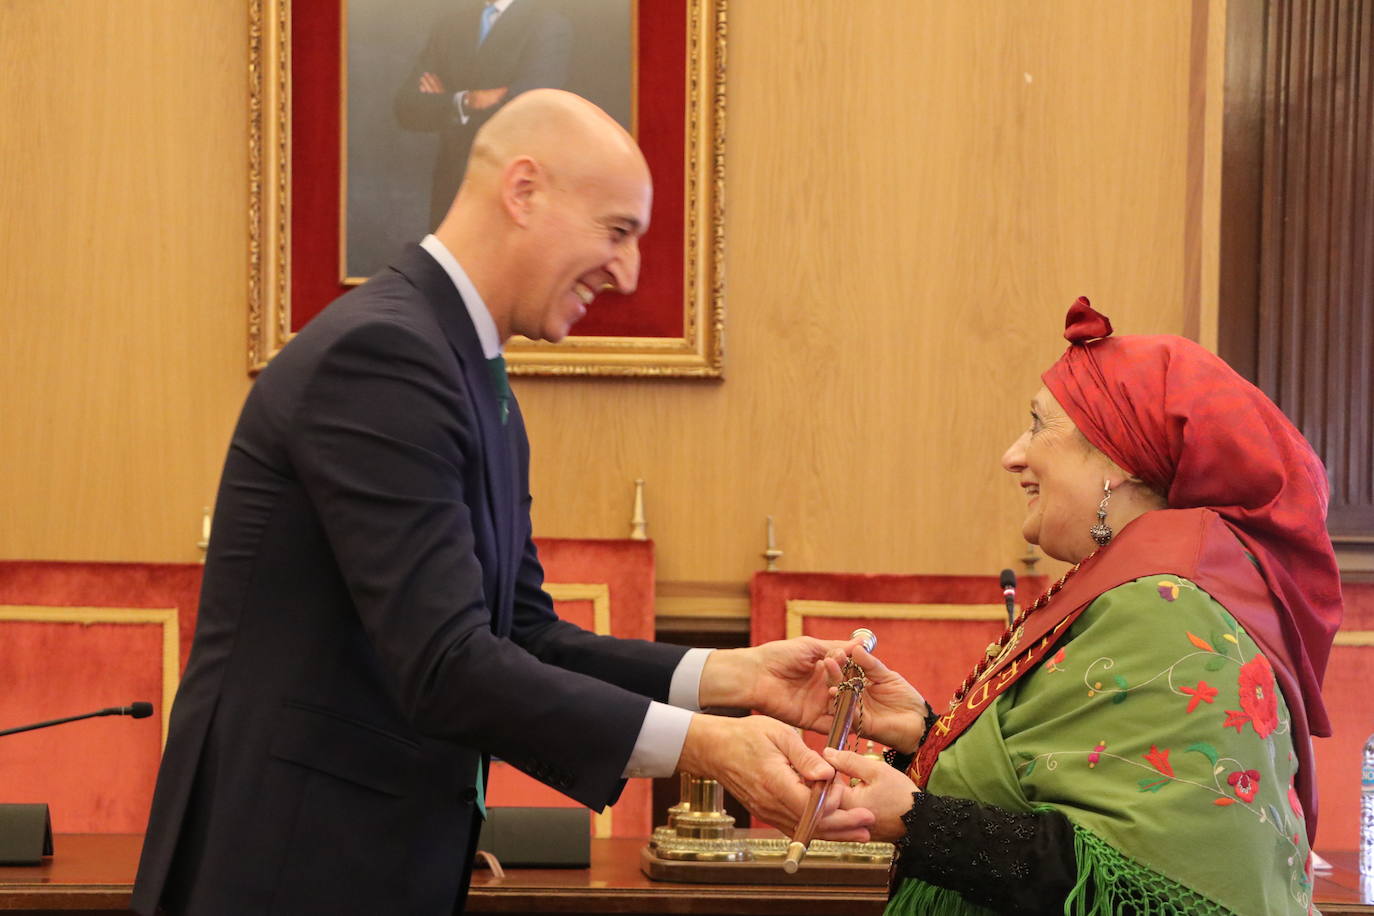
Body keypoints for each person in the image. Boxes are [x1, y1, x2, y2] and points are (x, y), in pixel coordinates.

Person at [131, 90, 870, 916]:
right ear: (523, 191)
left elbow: (520, 635)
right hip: (288, 869)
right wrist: (706, 746)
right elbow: (449, 667)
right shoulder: (383, 355)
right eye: (617, 230)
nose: (627, 271)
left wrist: (733, 677)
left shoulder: (469, 372)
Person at [821, 298, 1342, 915]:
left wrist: (916, 820)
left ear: (1118, 460)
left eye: (1039, 426)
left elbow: (1132, 882)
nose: (1014, 454)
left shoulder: (1166, 608)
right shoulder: (1128, 587)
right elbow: (1041, 792)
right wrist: (924, 735)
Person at [395, 0, 571, 230]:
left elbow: (529, 112)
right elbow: (407, 107)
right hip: (450, 193)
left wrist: (446, 102)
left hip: (508, 190)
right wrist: (466, 100)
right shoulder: (450, 26)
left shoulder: (548, 25)